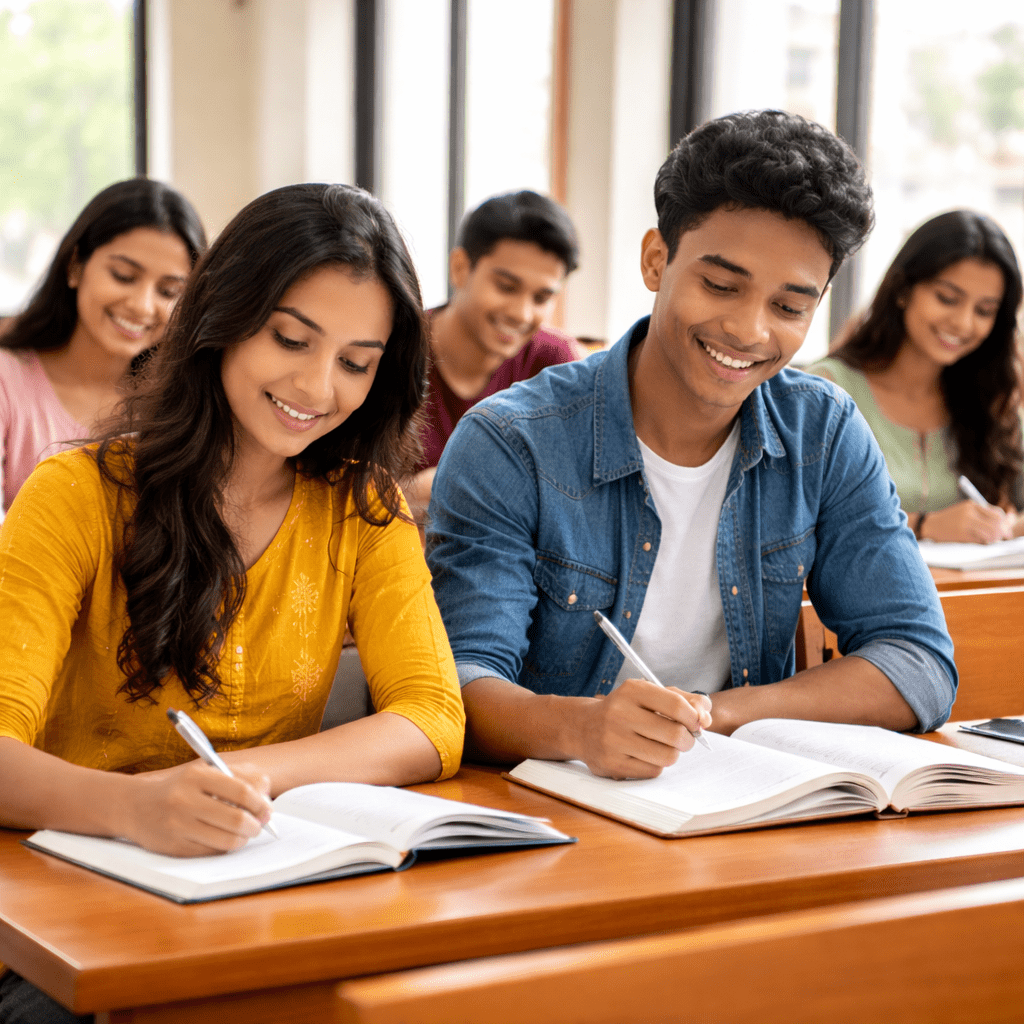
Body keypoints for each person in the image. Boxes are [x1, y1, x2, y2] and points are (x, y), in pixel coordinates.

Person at [0, 183, 464, 1022]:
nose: (318, 387)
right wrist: (137, 808)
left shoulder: (364, 509)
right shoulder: (76, 494)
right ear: (220, 317)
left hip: (260, 899)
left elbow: (432, 717)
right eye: (291, 339)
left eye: (357, 362)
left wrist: (251, 778)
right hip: (65, 918)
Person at [427, 110, 957, 783]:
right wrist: (585, 729)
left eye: (789, 307)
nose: (748, 329)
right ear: (657, 259)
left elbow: (918, 662)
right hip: (556, 812)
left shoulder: (821, 432)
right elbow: (460, 689)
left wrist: (714, 714)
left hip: (740, 801)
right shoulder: (511, 443)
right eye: (721, 285)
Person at [806, 210, 1023, 544]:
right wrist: (924, 524)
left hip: (969, 594)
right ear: (903, 289)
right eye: (947, 298)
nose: (963, 323)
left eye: (984, 311)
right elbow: (803, 519)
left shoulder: (991, 402)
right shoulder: (828, 390)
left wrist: (1007, 526)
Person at [0, 178, 207, 518]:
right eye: (124, 276)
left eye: (168, 292)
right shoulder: (7, 382)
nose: (142, 306)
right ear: (75, 266)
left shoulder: (179, 407)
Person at [405, 190, 582, 519]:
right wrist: (415, 493)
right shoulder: (397, 352)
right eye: (506, 286)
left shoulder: (555, 365)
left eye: (542, 297)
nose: (522, 313)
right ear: (460, 268)